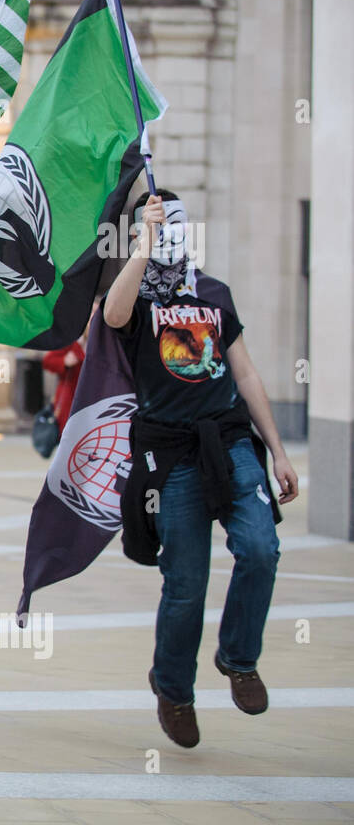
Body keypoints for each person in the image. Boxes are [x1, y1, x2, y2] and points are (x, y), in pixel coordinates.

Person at [103, 190, 298, 749]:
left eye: (175, 222)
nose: (171, 231)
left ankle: (238, 657)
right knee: (186, 584)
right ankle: (173, 690)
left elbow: (247, 374)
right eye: (159, 223)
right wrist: (141, 244)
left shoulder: (213, 292)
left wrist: (278, 450)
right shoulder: (135, 293)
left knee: (261, 549)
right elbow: (114, 315)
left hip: (229, 439)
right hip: (171, 454)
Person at [42, 339, 84, 432]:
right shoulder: (72, 342)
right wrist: (64, 361)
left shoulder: (101, 343)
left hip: (92, 398)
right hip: (69, 398)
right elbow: (47, 361)